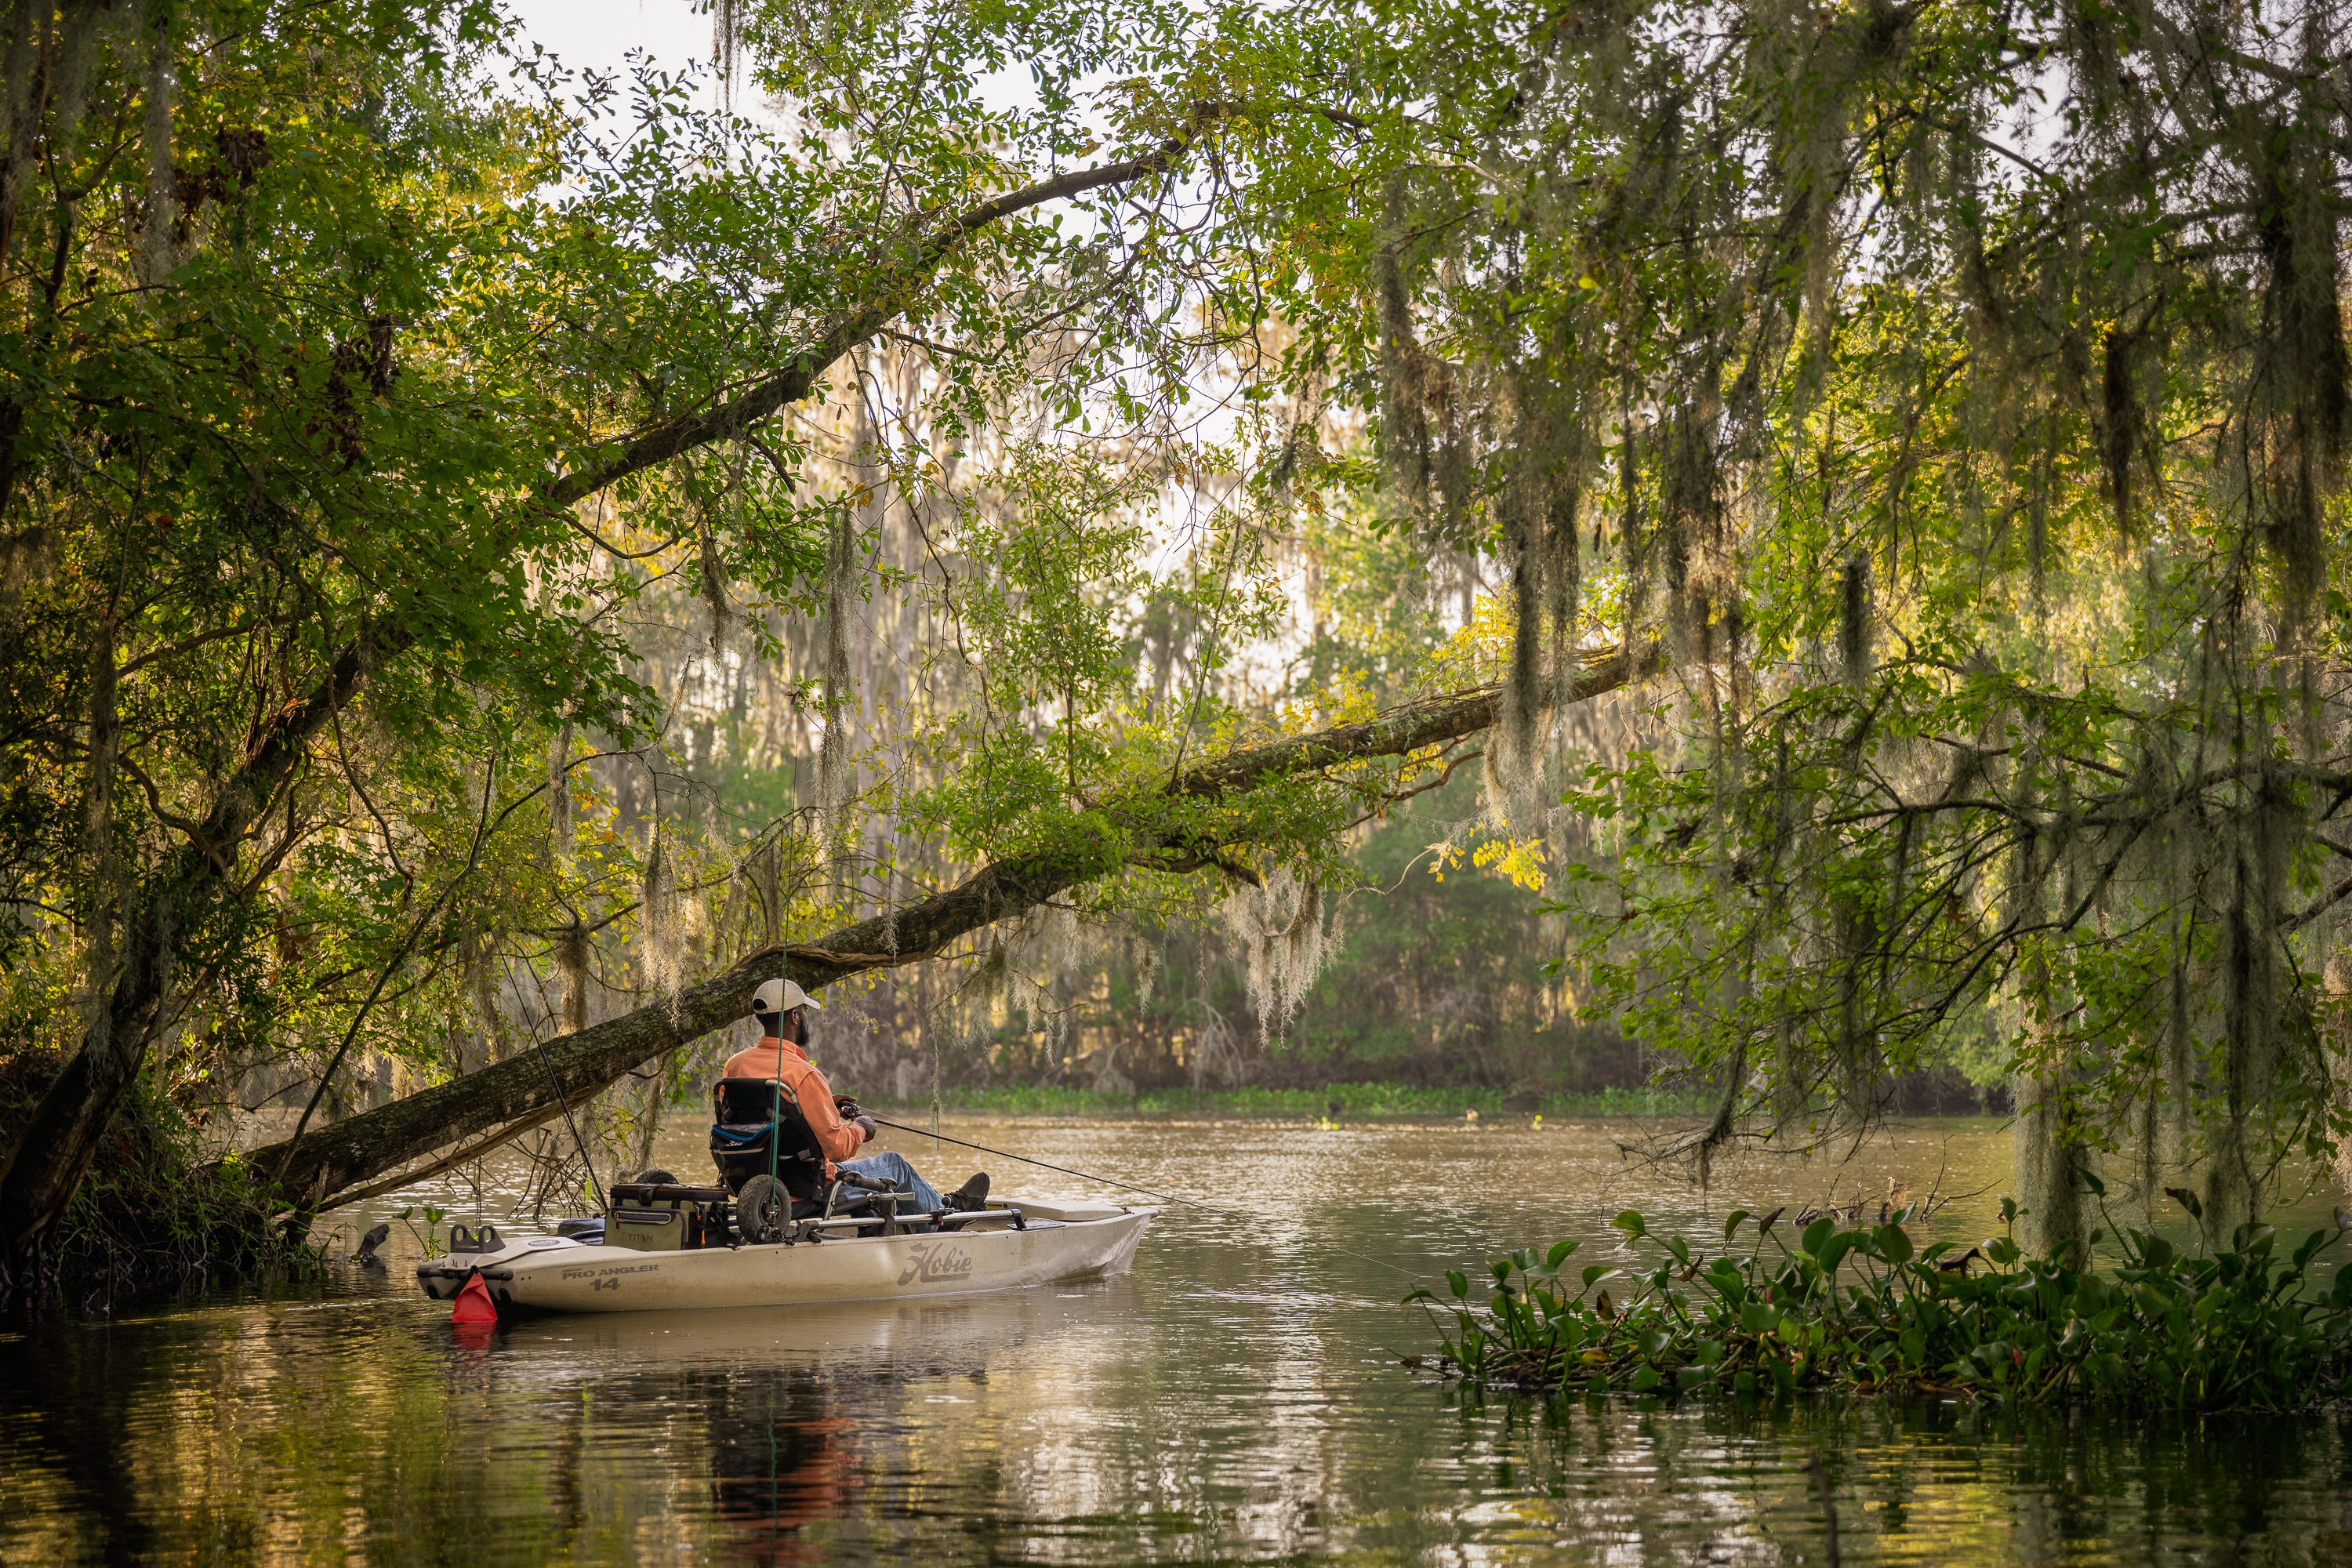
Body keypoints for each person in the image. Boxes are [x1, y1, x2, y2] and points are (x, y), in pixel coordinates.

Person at [723, 978, 989, 1215]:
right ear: (794, 1017)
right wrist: (861, 1128)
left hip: (757, 1190)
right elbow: (836, 1148)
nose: (806, 1018)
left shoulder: (734, 1066)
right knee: (895, 1165)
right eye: (804, 1011)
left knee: (869, 1172)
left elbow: (774, 1120)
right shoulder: (804, 1075)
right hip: (807, 1191)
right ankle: (946, 1215)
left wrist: (826, 1103)